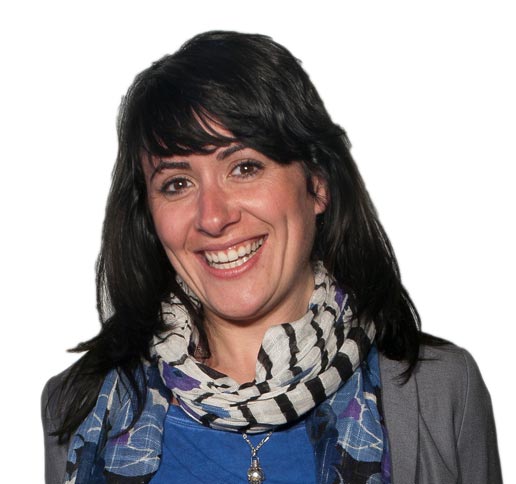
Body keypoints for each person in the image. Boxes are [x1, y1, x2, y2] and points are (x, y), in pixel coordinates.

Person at [42, 31, 503, 484]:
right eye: (177, 183)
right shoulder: (78, 406)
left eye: (245, 167)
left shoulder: (440, 391)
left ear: (317, 184)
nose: (213, 217)